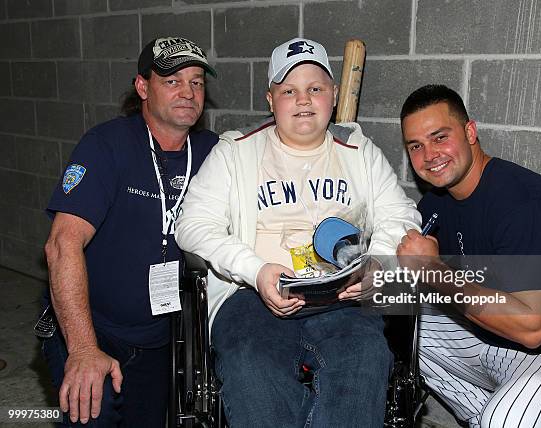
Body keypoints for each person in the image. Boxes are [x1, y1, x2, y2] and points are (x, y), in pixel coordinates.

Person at [175, 38, 421, 427]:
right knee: (251, 362)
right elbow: (191, 223)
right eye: (289, 90)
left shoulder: (358, 150)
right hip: (253, 294)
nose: (303, 99)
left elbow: (400, 213)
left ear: (334, 96)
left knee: (365, 357)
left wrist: (377, 261)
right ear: (271, 100)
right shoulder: (235, 151)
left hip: (341, 295)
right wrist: (253, 268)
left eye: (315, 88)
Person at [396, 84, 541, 427]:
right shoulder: (435, 204)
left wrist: (433, 271)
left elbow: (532, 328)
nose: (429, 154)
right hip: (503, 347)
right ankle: (489, 418)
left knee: (508, 420)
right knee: (396, 322)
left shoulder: (523, 200)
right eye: (416, 146)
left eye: (440, 137)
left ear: (470, 132)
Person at [42, 36, 218, 427]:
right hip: (93, 327)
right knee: (93, 410)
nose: (188, 92)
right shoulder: (107, 145)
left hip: (162, 337)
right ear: (143, 87)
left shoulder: (214, 152)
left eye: (196, 81)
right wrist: (84, 349)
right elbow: (61, 243)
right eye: (172, 81)